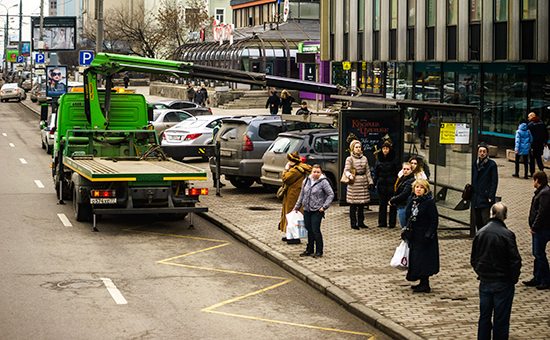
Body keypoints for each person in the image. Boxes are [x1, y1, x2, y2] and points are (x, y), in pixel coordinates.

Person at [471, 202, 522, 340]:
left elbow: (474, 258)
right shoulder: (507, 235)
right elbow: (515, 260)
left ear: (491, 214)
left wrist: (480, 272)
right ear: (505, 216)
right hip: (503, 282)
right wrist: (513, 278)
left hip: (485, 281)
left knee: (484, 318)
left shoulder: (480, 233)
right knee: (501, 319)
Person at [403, 179, 439, 293]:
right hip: (414, 234)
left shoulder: (428, 202)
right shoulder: (412, 200)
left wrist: (429, 234)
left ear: (425, 190)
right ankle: (420, 280)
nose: (418, 189)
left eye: (421, 188)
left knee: (423, 259)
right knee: (415, 258)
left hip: (425, 235)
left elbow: (434, 220)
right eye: (417, 187)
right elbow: (408, 215)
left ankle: (425, 283)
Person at [293, 164, 334, 258]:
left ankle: (319, 250)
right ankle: (309, 249)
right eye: (314, 172)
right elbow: (302, 194)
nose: (316, 174)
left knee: (316, 230)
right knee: (309, 229)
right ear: (311, 172)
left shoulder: (323, 182)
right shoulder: (306, 180)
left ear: (321, 173)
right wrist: (297, 207)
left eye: (318, 172)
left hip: (317, 210)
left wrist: (324, 207)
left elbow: (331, 194)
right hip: (307, 209)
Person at [522, 170, 550, 290]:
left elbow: (542, 212)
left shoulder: (544, 193)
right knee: (537, 253)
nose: (533, 182)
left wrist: (535, 227)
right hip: (541, 228)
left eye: (533, 180)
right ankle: (537, 277)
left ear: (537, 180)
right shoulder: (543, 191)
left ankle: (545, 279)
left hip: (542, 229)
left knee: (539, 254)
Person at [279, 152, 312, 245]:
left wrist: (286, 169)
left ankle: (295, 237)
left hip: (293, 195)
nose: (288, 162)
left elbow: (285, 179)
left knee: (292, 215)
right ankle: (290, 235)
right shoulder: (299, 168)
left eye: (289, 160)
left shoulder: (295, 170)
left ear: (292, 161)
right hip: (294, 193)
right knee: (291, 214)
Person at [344, 139, 374, 230]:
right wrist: (349, 176)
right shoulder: (349, 159)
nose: (358, 149)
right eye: (356, 147)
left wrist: (370, 182)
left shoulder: (364, 158)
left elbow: (368, 171)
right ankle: (353, 223)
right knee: (353, 205)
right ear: (352, 149)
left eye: (359, 147)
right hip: (354, 183)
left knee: (362, 204)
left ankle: (361, 222)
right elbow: (346, 170)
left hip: (363, 182)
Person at [472, 142, 499, 231]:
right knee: (478, 220)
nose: (482, 153)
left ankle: (486, 236)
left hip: (485, 196)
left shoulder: (491, 165)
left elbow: (494, 181)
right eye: (480, 151)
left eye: (484, 151)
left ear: (487, 153)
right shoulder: (475, 164)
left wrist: (491, 195)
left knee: (486, 219)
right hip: (476, 196)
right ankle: (480, 235)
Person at [374, 141, 400, 228]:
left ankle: (392, 223)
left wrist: (396, 183)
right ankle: (382, 222)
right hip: (382, 184)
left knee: (392, 204)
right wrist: (374, 182)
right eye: (384, 149)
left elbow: (398, 172)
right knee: (382, 204)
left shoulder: (394, 159)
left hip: (391, 184)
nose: (385, 150)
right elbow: (376, 172)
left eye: (387, 148)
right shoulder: (379, 159)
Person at [389, 162, 415, 230]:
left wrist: (393, 200)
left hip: (404, 205)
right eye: (404, 169)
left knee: (405, 227)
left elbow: (405, 194)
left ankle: (406, 239)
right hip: (401, 205)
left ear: (411, 170)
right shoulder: (403, 178)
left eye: (408, 169)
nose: (405, 171)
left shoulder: (410, 180)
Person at [527, 112, 549, 176]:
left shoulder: (530, 125)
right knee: (538, 158)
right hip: (540, 144)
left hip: (533, 144)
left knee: (532, 159)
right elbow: (546, 133)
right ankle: (541, 170)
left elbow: (529, 135)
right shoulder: (542, 123)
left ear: (531, 117)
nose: (528, 118)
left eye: (529, 117)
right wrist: (545, 142)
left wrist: (529, 145)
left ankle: (532, 173)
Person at [210, 120, 225, 187]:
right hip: (215, 147)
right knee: (215, 165)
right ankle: (215, 182)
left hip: (218, 147)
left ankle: (218, 182)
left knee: (218, 165)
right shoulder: (217, 128)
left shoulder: (219, 128)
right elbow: (216, 138)